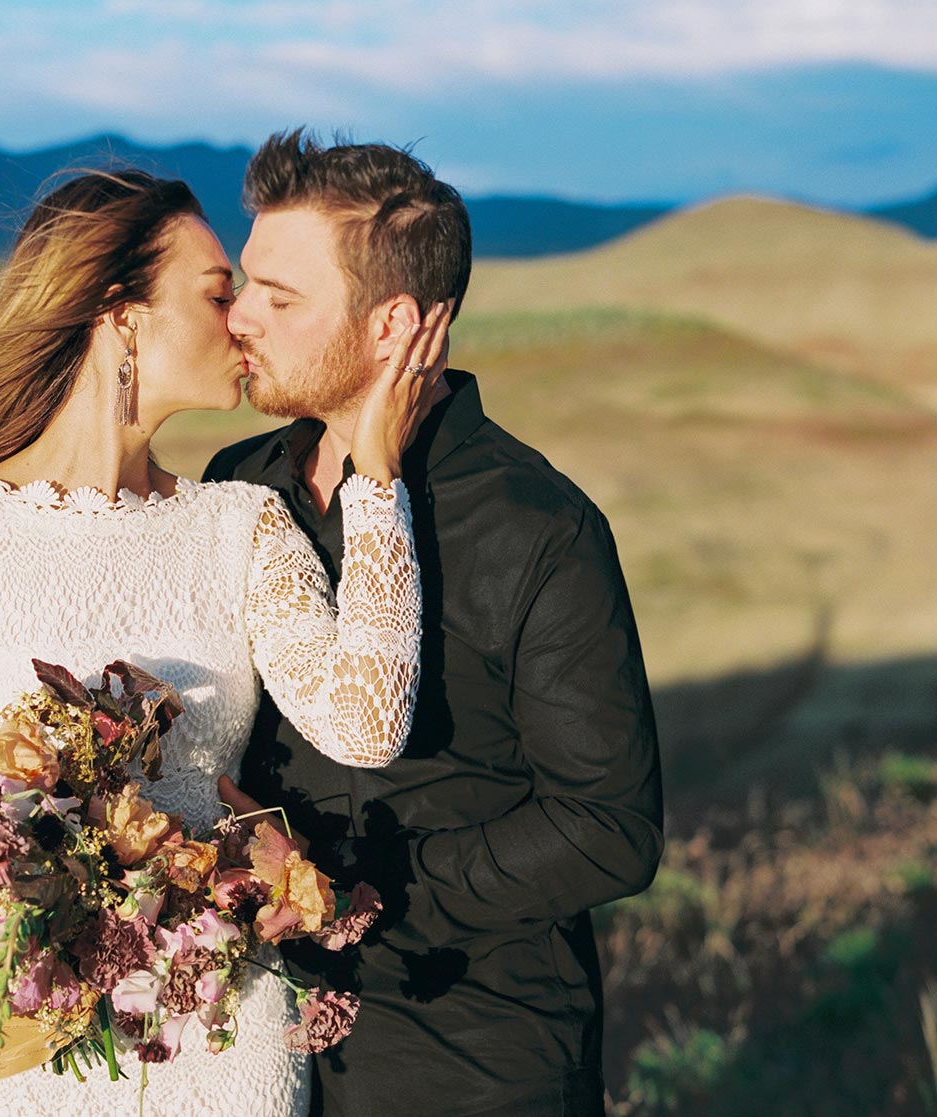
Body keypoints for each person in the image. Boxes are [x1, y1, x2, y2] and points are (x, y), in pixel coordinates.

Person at [0, 168, 451, 1117]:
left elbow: (367, 726)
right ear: (121, 313)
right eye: (220, 293)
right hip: (19, 1048)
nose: (244, 322)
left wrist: (377, 475)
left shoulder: (244, 525)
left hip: (226, 1029)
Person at [205, 131, 664, 1117]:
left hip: (468, 1058)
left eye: (279, 300)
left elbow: (609, 829)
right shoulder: (236, 486)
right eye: (245, 285)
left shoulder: (537, 526)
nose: (239, 317)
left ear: (393, 324)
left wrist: (368, 889)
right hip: (250, 1048)